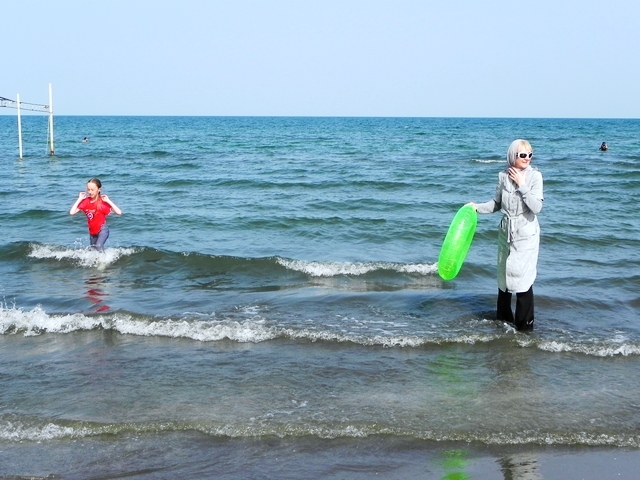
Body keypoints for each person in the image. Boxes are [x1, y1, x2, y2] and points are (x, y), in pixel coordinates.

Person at [469, 139, 543, 330]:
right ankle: (503, 322)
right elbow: (497, 203)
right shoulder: (503, 176)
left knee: (522, 278)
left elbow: (536, 208)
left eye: (530, 155)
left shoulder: (535, 177)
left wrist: (522, 184)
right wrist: (475, 207)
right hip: (505, 231)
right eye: (523, 155)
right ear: (513, 156)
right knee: (504, 277)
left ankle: (525, 327)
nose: (527, 158)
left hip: (526, 233)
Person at [70, 178, 122, 251]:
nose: (90, 192)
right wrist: (79, 199)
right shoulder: (85, 202)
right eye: (88, 189)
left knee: (99, 246)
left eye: (92, 189)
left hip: (102, 230)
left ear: (99, 189)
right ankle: (102, 260)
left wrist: (108, 201)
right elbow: (72, 212)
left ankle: (103, 261)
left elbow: (119, 212)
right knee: (94, 250)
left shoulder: (103, 202)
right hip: (92, 232)